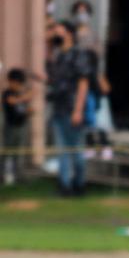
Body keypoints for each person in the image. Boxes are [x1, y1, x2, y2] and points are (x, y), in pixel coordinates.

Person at [44, 20, 94, 197]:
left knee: (77, 150)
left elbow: (83, 83)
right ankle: (64, 186)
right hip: (59, 107)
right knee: (62, 150)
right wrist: (48, 42)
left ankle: (79, 184)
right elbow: (49, 72)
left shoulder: (78, 54)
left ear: (68, 33)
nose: (55, 31)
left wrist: (78, 110)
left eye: (58, 29)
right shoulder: (59, 54)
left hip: (73, 107)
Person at [2, 67, 31, 187]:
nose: (18, 86)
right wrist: (27, 96)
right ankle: (2, 175)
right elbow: (12, 102)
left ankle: (18, 175)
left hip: (21, 126)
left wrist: (29, 111)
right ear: (11, 81)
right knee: (7, 151)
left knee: (19, 153)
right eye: (16, 83)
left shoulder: (20, 93)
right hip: (10, 127)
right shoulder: (7, 93)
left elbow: (23, 109)